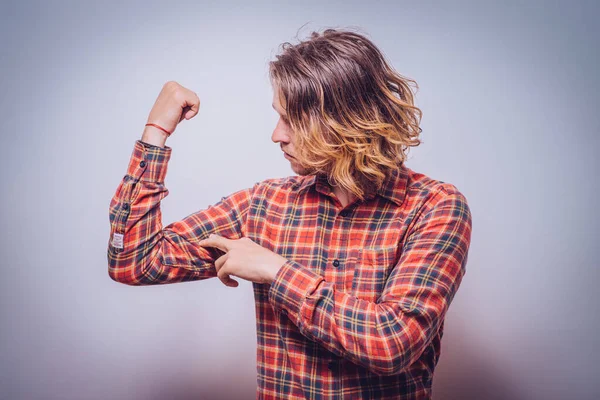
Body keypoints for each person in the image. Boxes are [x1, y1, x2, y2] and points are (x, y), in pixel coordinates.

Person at [107, 28, 472, 400]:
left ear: (344, 118)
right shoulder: (265, 203)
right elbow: (133, 261)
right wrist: (156, 133)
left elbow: (393, 343)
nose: (276, 135)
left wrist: (276, 271)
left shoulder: (434, 207)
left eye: (291, 119)